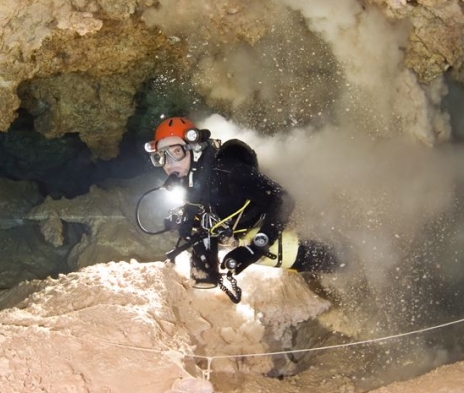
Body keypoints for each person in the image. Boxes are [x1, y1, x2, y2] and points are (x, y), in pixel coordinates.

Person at [144, 116, 341, 298]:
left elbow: (283, 200)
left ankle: (352, 262)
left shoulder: (229, 171)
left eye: (176, 152)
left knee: (337, 260)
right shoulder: (190, 183)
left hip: (278, 227)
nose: (169, 165)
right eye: (162, 156)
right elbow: (204, 208)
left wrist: (255, 248)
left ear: (194, 149)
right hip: (244, 232)